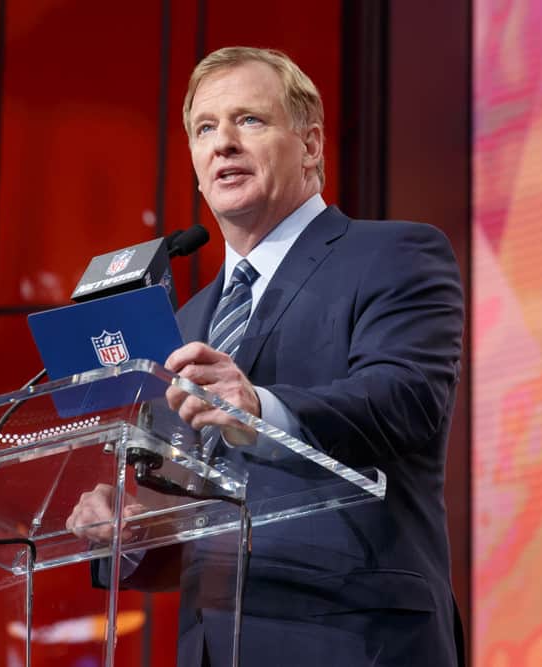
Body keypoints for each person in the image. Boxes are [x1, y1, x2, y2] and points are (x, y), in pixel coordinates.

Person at [66, 46, 464, 666]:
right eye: (205, 128)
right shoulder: (182, 324)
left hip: (355, 638)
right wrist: (135, 530)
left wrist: (259, 408)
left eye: (249, 120)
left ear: (310, 145)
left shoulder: (394, 255)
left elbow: (405, 401)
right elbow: (192, 516)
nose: (223, 142)